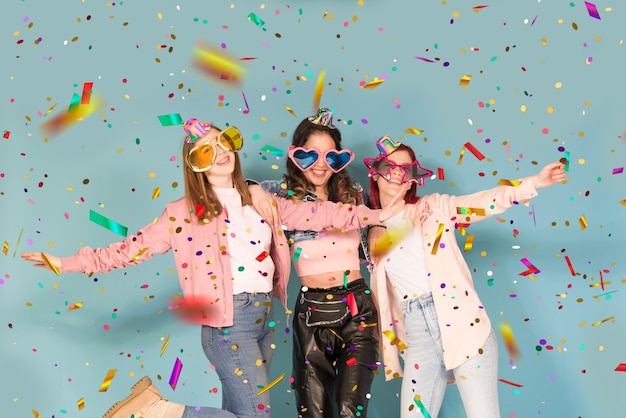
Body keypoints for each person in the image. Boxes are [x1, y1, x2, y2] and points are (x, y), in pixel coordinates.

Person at [21, 118, 406, 418]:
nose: (219, 153)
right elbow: (128, 251)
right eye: (205, 152)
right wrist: (65, 263)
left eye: (222, 143)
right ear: (195, 165)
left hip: (264, 317)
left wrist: (377, 213)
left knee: (240, 412)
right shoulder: (183, 212)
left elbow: (320, 212)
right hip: (228, 322)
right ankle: (161, 409)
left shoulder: (262, 202)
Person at [364, 136, 566, 418]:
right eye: (389, 166)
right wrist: (375, 225)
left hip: (464, 323)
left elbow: (484, 201)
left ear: (413, 178)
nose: (397, 174)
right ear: (375, 172)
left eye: (406, 169)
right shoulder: (366, 225)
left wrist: (535, 182)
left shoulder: (434, 207)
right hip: (418, 335)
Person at [248, 107, 394, 418]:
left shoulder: (353, 193)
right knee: (312, 411)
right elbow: (232, 194)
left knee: (348, 411)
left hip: (358, 307)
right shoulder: (280, 193)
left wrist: (384, 217)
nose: (320, 164)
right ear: (295, 155)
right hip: (310, 312)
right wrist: (252, 187)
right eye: (309, 155)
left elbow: (379, 237)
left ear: (340, 160)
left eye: (330, 156)